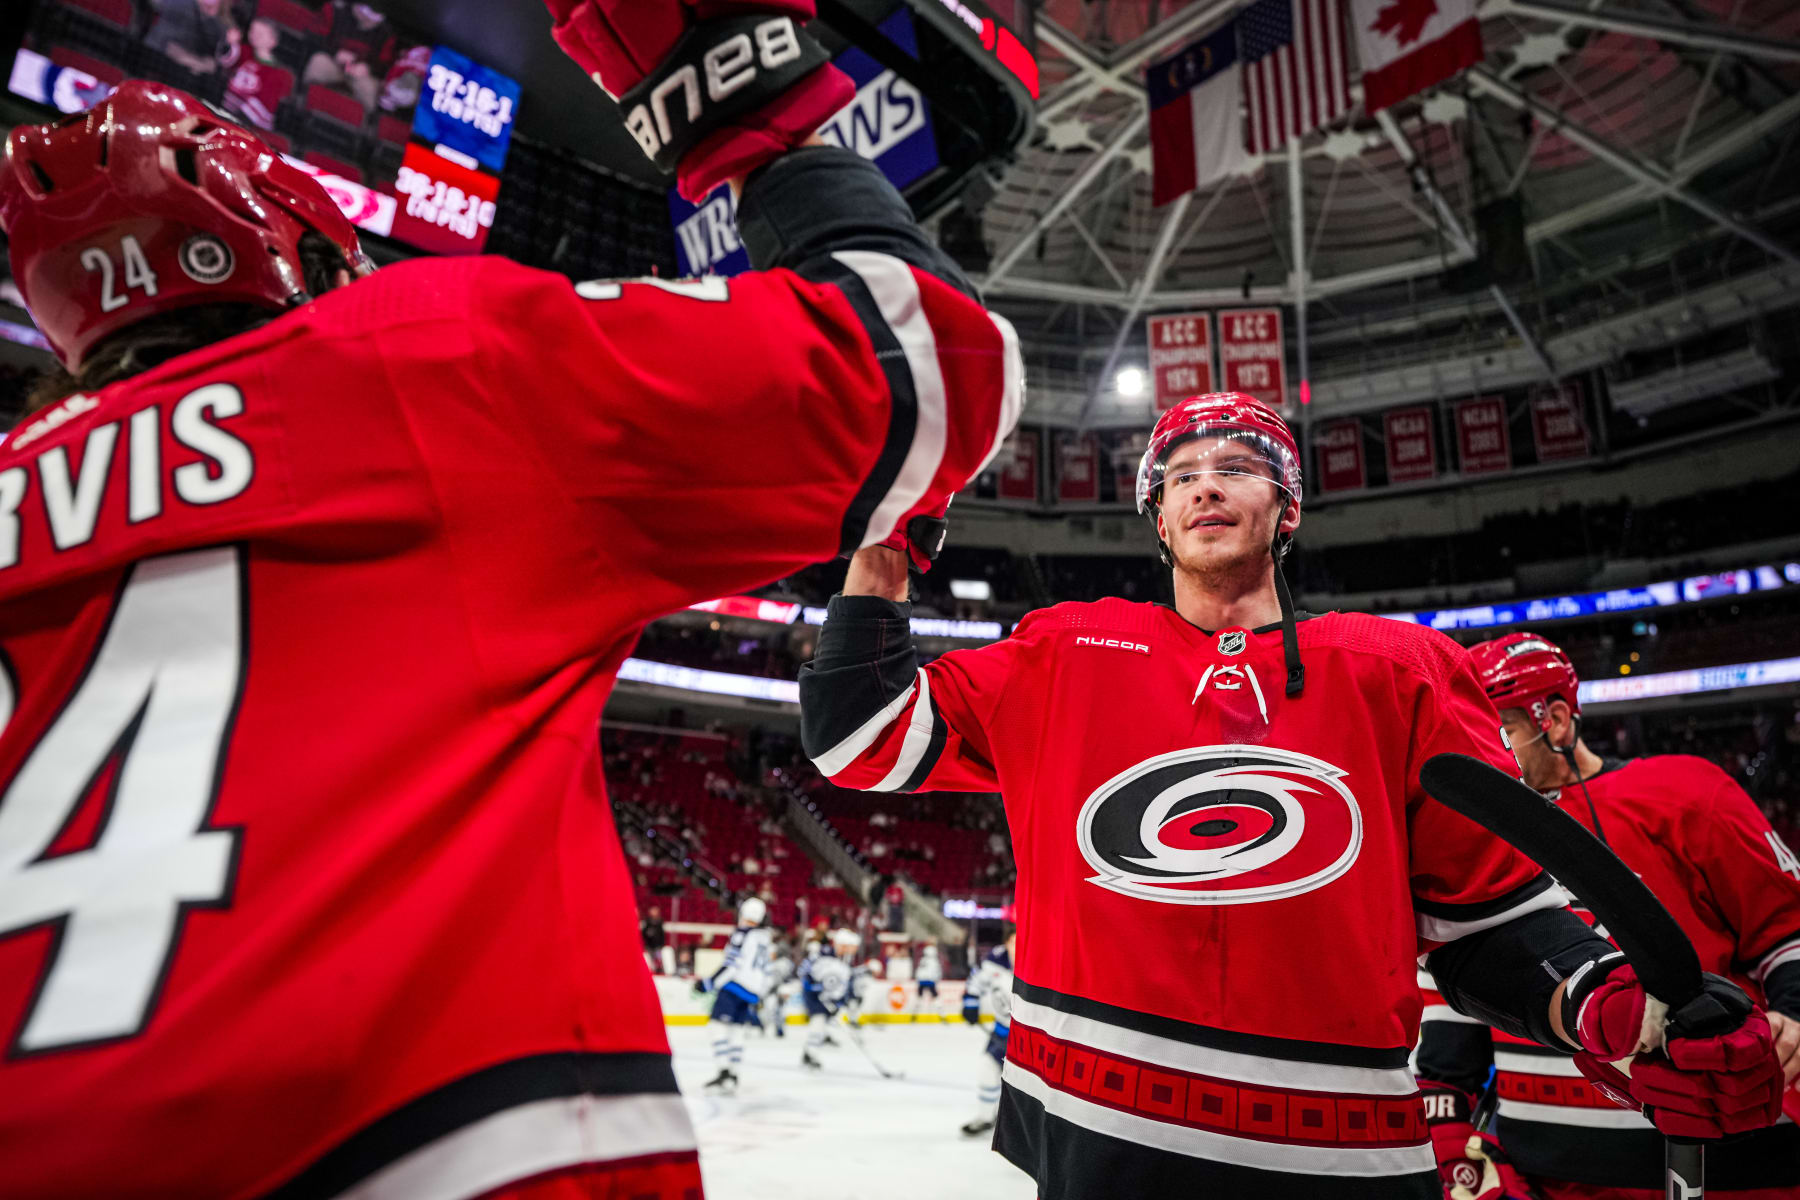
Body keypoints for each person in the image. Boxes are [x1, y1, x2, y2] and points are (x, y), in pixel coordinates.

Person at [0, 1, 1021, 1190]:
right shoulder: (417, 359)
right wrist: (748, 123)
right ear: (313, 252)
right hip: (441, 1145)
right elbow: (922, 369)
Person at [797, 394, 1785, 1198]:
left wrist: (1614, 1010)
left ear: (1290, 508)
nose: (1206, 485)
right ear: (1156, 513)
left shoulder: (1401, 669)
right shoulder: (1063, 650)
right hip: (1094, 1145)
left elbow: (1486, 928)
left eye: (1237, 466)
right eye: (1181, 473)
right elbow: (855, 741)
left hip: (1339, 1158)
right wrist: (884, 547)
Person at [1415, 631, 1800, 1199]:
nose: (1487, 753)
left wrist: (1795, 1012)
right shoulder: (1474, 833)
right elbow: (1461, 982)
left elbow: (1786, 928)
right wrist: (1450, 1127)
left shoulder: (1685, 794)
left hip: (1723, 1163)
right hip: (1543, 1173)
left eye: (1503, 732)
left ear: (1558, 721)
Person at [695, 897, 774, 1094]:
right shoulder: (765, 937)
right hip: (752, 992)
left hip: (735, 987)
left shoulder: (742, 934)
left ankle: (724, 1072)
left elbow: (732, 964)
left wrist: (708, 983)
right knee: (737, 1030)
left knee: (717, 1027)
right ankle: (734, 1073)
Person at [961, 930, 1016, 1138]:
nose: (1017, 946)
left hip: (1030, 1037)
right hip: (1002, 1032)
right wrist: (970, 1003)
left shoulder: (1041, 962)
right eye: (1013, 941)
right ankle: (985, 1117)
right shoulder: (994, 961)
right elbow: (976, 981)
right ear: (1006, 943)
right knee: (988, 1068)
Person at [302, 2, 398, 115]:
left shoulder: (386, 33)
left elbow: (385, 64)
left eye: (375, 18)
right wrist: (335, 53)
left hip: (360, 75)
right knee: (319, 62)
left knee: (370, 88)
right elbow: (313, 37)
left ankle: (361, 126)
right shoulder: (335, 11)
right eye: (366, 14)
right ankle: (302, 107)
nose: (369, 21)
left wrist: (368, 68)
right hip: (333, 63)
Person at [221, 18, 295, 132]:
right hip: (226, 111)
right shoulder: (245, 51)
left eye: (260, 34)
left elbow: (264, 105)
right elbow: (227, 60)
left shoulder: (279, 73)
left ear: (273, 41)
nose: (255, 35)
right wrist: (230, 43)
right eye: (253, 31)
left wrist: (233, 120)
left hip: (250, 126)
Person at [799, 930, 858, 1069]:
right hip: (814, 995)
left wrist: (838, 1000)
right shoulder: (823, 954)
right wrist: (814, 987)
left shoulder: (844, 959)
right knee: (818, 1023)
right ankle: (811, 1054)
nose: (852, 950)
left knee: (821, 1024)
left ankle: (809, 1052)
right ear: (842, 945)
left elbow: (841, 982)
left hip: (826, 997)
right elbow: (804, 971)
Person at [144, 0, 236, 77]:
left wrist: (196, 62)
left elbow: (215, 66)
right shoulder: (181, 5)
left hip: (186, 80)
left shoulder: (224, 28)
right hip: (153, 65)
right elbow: (167, 47)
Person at [912, 939, 943, 1022]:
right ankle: (942, 1015)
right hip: (930, 981)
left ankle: (914, 1015)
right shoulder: (934, 961)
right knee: (936, 998)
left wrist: (918, 979)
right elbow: (938, 972)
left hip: (922, 981)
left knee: (919, 997)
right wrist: (937, 979)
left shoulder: (923, 960)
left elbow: (918, 971)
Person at [640, 903, 668, 974]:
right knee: (650, 959)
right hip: (649, 945)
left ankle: (659, 969)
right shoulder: (647, 922)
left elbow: (662, 934)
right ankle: (651, 970)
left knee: (659, 958)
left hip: (658, 945)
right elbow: (643, 933)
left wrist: (662, 944)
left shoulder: (660, 921)